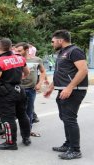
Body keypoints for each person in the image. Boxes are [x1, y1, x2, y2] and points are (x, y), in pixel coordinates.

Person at [44, 30, 88, 160]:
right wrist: (51, 88)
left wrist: (70, 87)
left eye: (53, 41)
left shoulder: (75, 51)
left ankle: (75, 150)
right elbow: (60, 73)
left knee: (69, 119)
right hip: (63, 89)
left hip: (74, 91)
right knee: (64, 117)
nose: (52, 44)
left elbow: (83, 70)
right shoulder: (63, 52)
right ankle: (68, 144)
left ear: (60, 40)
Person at [15, 42, 46, 137]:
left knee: (29, 111)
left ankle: (27, 132)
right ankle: (11, 132)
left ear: (26, 50)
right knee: (16, 111)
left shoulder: (37, 60)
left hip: (31, 89)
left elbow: (43, 72)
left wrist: (40, 83)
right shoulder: (15, 60)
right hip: (18, 89)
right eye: (16, 51)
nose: (17, 53)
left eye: (19, 51)